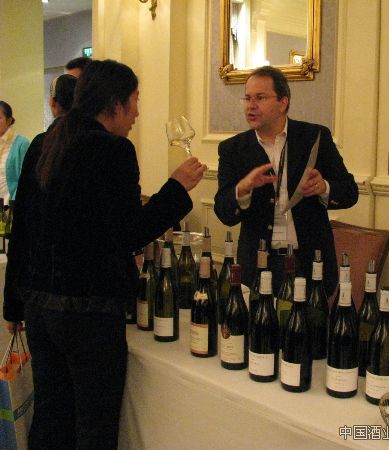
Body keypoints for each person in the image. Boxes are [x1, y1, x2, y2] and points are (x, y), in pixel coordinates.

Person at [3, 59, 206, 449]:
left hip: (40, 309)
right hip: (88, 314)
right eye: (135, 101)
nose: (137, 113)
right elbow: (130, 233)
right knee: (94, 427)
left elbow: (23, 228)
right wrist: (176, 188)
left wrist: (13, 305)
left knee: (52, 419)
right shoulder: (113, 150)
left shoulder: (46, 142)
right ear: (115, 103)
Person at [214, 66, 358, 296]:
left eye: (260, 98)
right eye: (247, 98)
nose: (251, 105)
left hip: (309, 263)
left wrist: (324, 187)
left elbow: (349, 192)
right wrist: (242, 190)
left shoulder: (314, 138)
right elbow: (223, 212)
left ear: (283, 103)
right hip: (258, 264)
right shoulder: (233, 149)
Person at [0, 101, 29, 203]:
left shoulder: (21, 143)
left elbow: (25, 179)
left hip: (10, 205)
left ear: (9, 120)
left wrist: (14, 204)